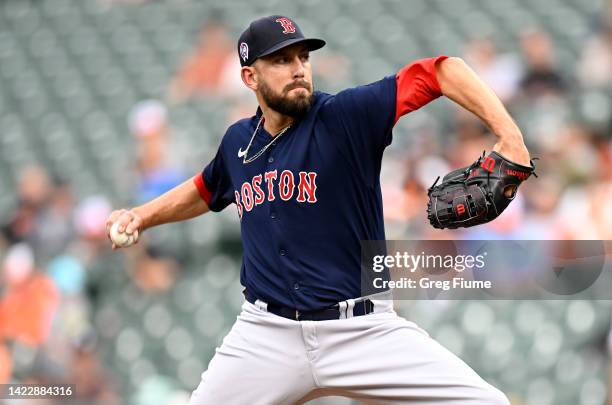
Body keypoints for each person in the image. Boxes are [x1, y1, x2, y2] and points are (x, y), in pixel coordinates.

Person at [106, 15, 530, 404]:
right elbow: (206, 189)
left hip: (362, 328)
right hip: (266, 334)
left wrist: (509, 136)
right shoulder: (238, 141)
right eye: (282, 60)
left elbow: (442, 71)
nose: (298, 68)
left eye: (303, 57)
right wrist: (142, 216)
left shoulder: (344, 116)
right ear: (249, 77)